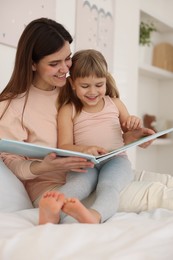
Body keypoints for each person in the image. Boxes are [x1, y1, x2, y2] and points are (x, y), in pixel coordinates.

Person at [0, 17, 155, 224]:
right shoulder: (11, 106)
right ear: (32, 64)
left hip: (99, 168)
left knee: (165, 183)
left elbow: (100, 132)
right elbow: (12, 162)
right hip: (56, 188)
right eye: (54, 63)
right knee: (156, 194)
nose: (65, 69)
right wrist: (44, 166)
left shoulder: (76, 87)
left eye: (68, 58)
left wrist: (132, 138)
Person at [50, 48, 141, 224]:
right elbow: (64, 146)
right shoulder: (69, 110)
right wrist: (85, 150)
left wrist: (133, 123)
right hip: (85, 161)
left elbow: (129, 133)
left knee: (109, 186)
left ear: (106, 82)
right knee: (78, 186)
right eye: (85, 86)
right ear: (72, 84)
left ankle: (95, 215)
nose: (93, 91)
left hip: (116, 160)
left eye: (99, 85)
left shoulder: (114, 104)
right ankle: (53, 212)